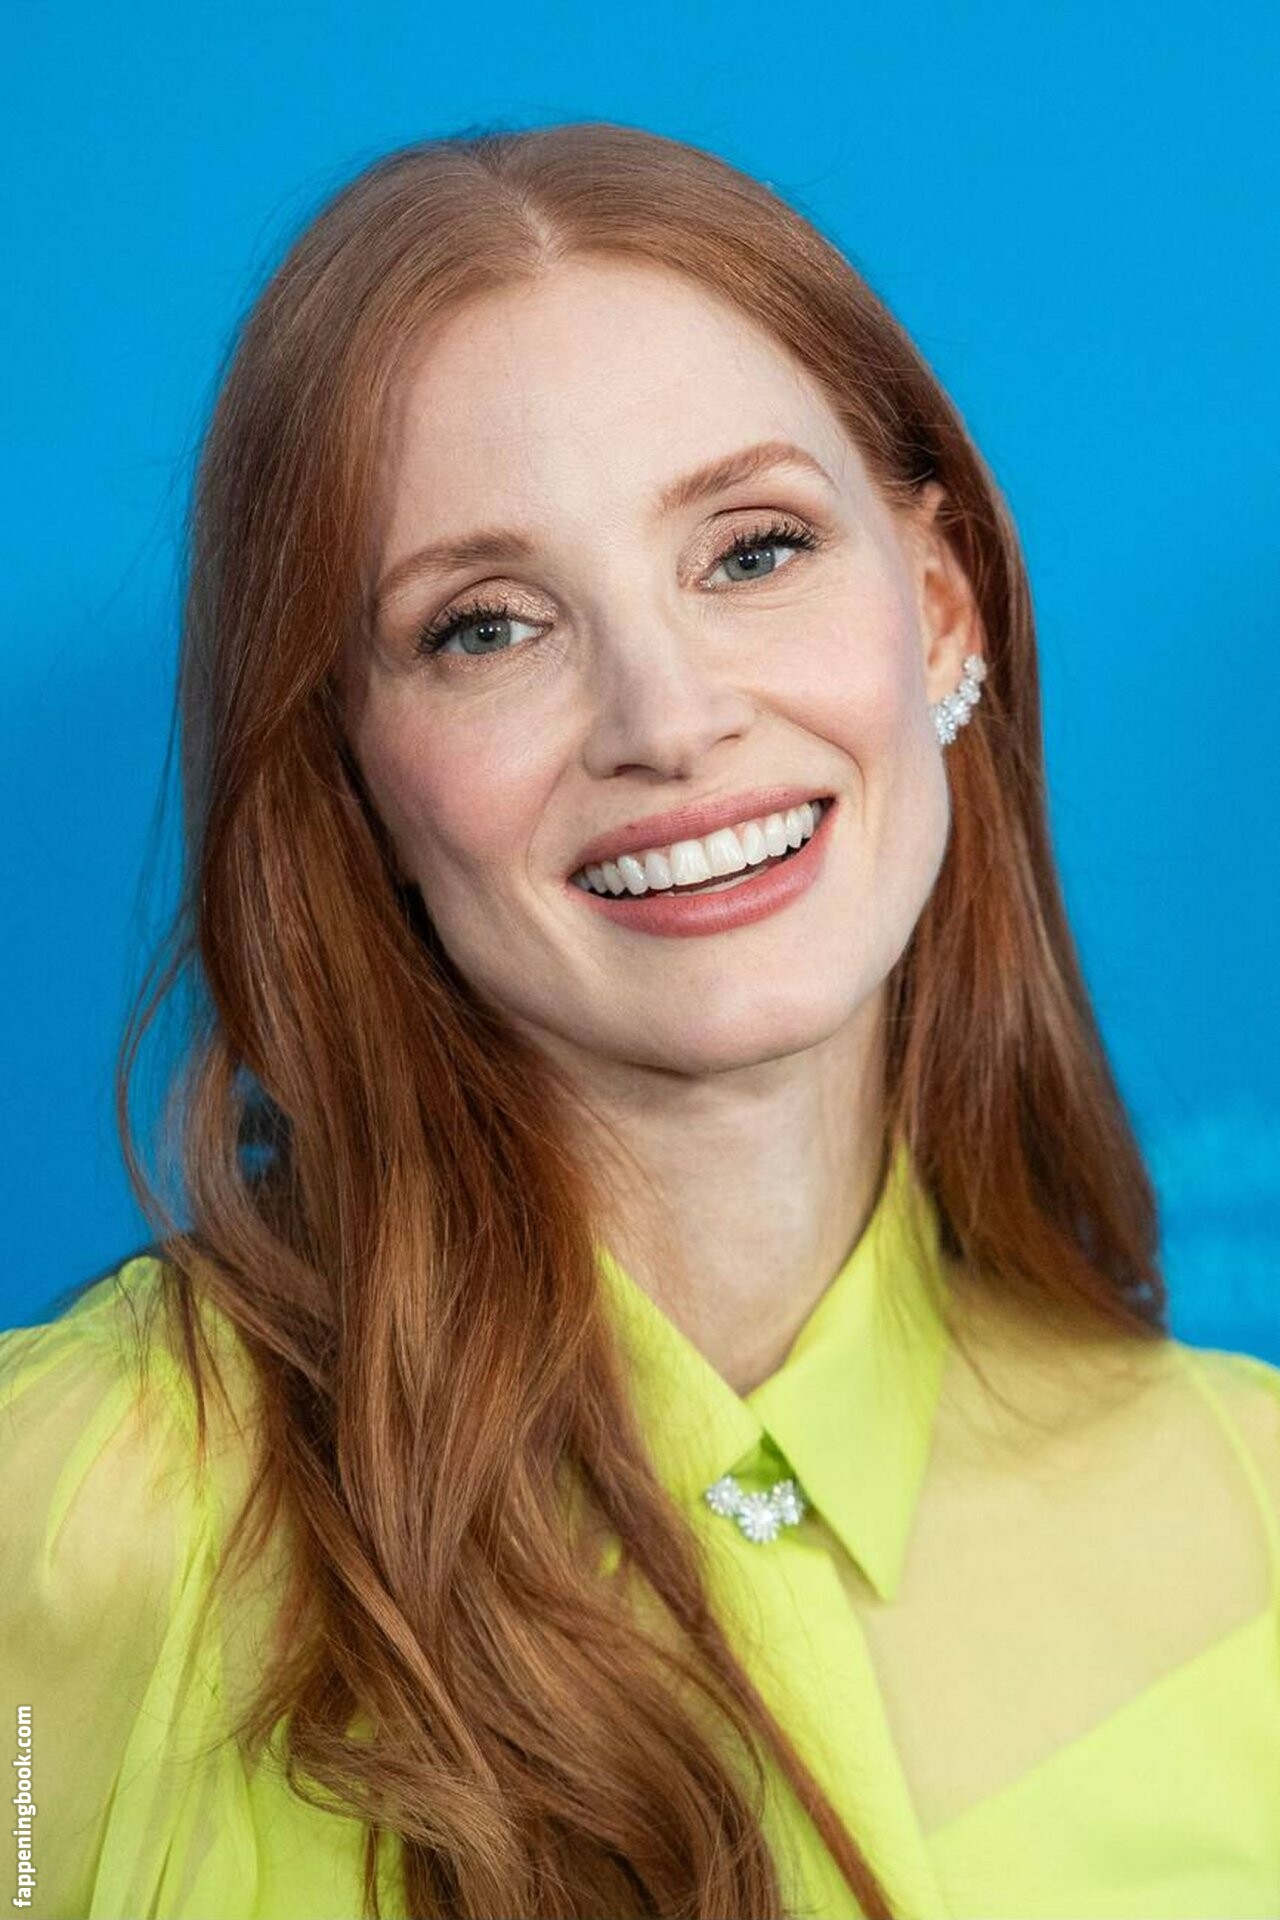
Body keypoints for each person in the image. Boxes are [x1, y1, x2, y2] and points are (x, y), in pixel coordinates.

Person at [1, 120, 1277, 1920]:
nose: (668, 720)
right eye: (488, 627)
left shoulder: (1252, 1507)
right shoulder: (74, 1513)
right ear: (353, 779)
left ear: (938, 612)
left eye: (752, 551)